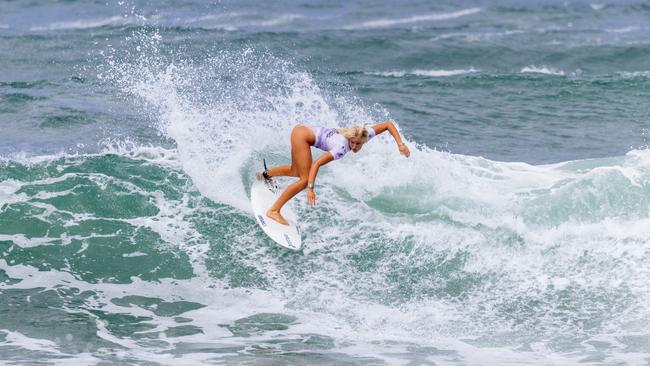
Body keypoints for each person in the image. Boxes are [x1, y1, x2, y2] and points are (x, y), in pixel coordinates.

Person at [259, 121, 411, 225]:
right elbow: (316, 164)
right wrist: (310, 188)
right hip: (302, 137)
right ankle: (273, 211)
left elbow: (387, 125)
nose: (355, 146)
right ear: (349, 139)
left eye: (358, 143)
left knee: (296, 170)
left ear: (364, 139)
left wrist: (401, 145)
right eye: (352, 142)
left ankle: (266, 175)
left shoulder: (365, 133)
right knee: (304, 180)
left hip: (300, 130)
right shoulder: (341, 148)